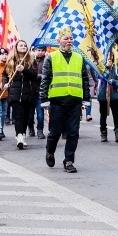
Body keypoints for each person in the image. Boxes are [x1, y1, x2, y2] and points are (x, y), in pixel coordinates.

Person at [39, 27, 91, 173]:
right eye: (66, 38)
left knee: (73, 133)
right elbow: (45, 80)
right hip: (57, 102)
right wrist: (44, 99)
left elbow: (85, 80)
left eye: (71, 38)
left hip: (75, 101)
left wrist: (86, 99)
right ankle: (50, 151)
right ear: (58, 41)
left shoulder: (79, 57)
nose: (69, 41)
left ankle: (68, 161)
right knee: (54, 132)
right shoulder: (51, 57)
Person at [4, 40, 38, 149]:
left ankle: (22, 134)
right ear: (16, 47)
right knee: (18, 116)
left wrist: (24, 70)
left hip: (28, 93)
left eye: (25, 45)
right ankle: (19, 136)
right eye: (21, 45)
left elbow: (34, 75)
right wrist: (5, 84)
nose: (23, 47)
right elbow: (5, 75)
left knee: (26, 117)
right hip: (15, 92)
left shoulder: (32, 61)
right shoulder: (11, 60)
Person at [97, 52, 118, 143]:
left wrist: (113, 81)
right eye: (108, 56)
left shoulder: (117, 68)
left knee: (116, 114)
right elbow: (101, 76)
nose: (110, 58)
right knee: (103, 114)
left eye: (111, 56)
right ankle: (103, 132)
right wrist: (106, 68)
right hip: (103, 95)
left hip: (113, 95)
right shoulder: (101, 67)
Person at [28, 45, 48, 139]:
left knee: (40, 112)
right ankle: (30, 127)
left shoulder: (46, 61)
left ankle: (40, 130)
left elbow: (46, 75)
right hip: (31, 90)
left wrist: (37, 76)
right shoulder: (31, 61)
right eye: (38, 50)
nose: (40, 52)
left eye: (42, 50)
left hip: (41, 90)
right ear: (35, 51)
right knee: (30, 112)